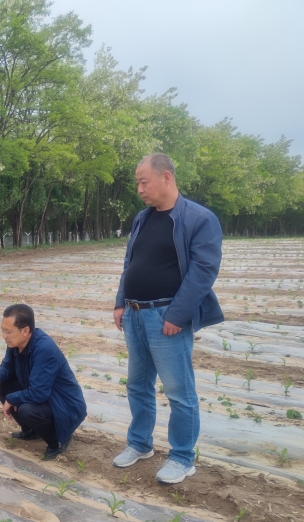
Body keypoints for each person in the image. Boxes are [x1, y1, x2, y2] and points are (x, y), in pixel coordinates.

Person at [112, 153, 223, 484]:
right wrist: (120, 302)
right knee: (137, 384)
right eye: (137, 183)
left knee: (178, 390)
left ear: (167, 178)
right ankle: (140, 444)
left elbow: (204, 272)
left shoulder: (198, 218)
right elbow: (130, 263)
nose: (140, 189)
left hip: (166, 317)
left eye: (144, 182)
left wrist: (178, 313)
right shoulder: (142, 218)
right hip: (134, 314)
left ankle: (182, 456)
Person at [0, 304, 86, 459]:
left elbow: (39, 393)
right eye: (3, 330)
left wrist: (11, 398)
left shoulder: (44, 349)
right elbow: (7, 366)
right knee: (1, 383)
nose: (4, 336)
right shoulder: (15, 343)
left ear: (25, 331)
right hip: (45, 395)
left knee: (27, 409)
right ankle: (31, 430)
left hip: (64, 405)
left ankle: (58, 441)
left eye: (8, 331)